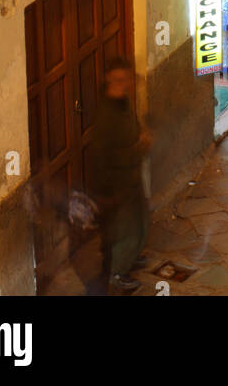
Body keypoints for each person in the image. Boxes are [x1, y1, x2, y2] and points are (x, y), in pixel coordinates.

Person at [88, 57, 151, 293]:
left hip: (130, 177)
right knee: (125, 229)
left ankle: (131, 257)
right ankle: (116, 272)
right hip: (116, 183)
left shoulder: (122, 102)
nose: (125, 84)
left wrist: (140, 135)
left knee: (140, 222)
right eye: (120, 80)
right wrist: (137, 150)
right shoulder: (106, 116)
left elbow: (131, 126)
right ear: (109, 80)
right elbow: (105, 156)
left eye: (126, 79)